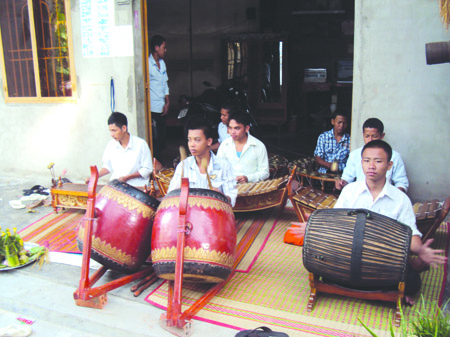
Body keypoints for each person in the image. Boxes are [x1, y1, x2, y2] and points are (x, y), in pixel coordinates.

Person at [289, 140, 446, 304]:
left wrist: (420, 250)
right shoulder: (350, 191)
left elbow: (411, 233)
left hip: (380, 263)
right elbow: (335, 223)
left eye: (378, 161)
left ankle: (390, 281)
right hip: (348, 257)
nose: (371, 166)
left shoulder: (400, 199)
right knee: (318, 263)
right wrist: (314, 228)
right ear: (361, 163)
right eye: (366, 160)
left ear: (389, 165)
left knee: (413, 282)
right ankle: (388, 290)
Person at [168, 117, 237, 206]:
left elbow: (231, 199)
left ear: (209, 141)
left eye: (197, 140)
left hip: (215, 215)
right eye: (189, 139)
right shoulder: (183, 166)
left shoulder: (224, 166)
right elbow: (170, 197)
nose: (192, 145)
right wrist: (176, 192)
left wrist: (220, 196)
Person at [336, 117, 409, 192]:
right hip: (359, 195)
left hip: (384, 196)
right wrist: (342, 183)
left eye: (374, 136)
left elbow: (401, 183)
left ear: (382, 136)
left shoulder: (394, 156)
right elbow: (347, 178)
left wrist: (394, 196)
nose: (370, 140)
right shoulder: (355, 155)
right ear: (363, 135)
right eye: (367, 136)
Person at [86, 112, 153, 187]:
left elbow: (147, 169)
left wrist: (127, 178)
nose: (111, 134)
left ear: (124, 128)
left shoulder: (141, 144)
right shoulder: (111, 145)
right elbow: (108, 166)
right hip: (116, 186)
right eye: (110, 131)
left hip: (136, 187)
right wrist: (95, 177)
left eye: (114, 130)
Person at [216, 111, 269, 184]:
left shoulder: (258, 146)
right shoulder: (225, 145)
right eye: (230, 128)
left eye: (237, 128)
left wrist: (248, 178)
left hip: (251, 189)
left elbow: (265, 173)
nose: (232, 132)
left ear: (246, 128)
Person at [149, 35, 169, 161]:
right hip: (153, 108)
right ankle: (157, 163)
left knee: (162, 137)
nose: (165, 50)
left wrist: (167, 101)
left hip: (162, 106)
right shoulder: (148, 65)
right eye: (164, 47)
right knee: (154, 138)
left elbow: (165, 83)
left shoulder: (162, 63)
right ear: (156, 48)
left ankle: (160, 162)